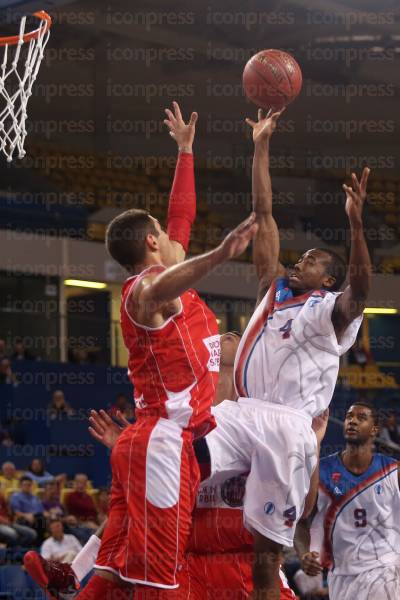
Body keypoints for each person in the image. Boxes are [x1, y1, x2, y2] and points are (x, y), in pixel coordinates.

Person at [66, 102, 257, 600]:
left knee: (118, 571)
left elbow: (181, 213)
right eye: (167, 237)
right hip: (161, 443)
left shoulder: (175, 286)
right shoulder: (141, 292)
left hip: (170, 444)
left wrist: (186, 151)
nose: (178, 238)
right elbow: (161, 281)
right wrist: (217, 257)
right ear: (153, 243)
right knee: (160, 582)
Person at [202, 109, 372, 598]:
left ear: (328, 280)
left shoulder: (327, 310)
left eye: (315, 261)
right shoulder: (269, 290)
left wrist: (355, 225)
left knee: (265, 559)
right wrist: (259, 146)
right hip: (241, 412)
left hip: (289, 426)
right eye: (302, 257)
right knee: (177, 458)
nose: (302, 261)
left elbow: (361, 289)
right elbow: (264, 215)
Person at [25, 332, 301, 599]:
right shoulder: (186, 413)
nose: (226, 335)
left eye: (236, 335)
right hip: (194, 562)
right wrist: (139, 456)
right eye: (221, 336)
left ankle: (75, 577)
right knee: (141, 493)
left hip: (248, 559)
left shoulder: (261, 414)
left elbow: (298, 502)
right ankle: (75, 576)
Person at [295, 402, 400, 600]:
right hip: (340, 576)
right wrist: (303, 554)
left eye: (361, 418)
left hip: (384, 571)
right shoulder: (322, 470)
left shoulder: (393, 471)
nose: (352, 421)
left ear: (374, 430)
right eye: (349, 417)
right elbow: (300, 520)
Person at [10, 476, 46, 543]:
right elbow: (16, 512)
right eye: (25, 485)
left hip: (36, 518)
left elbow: (41, 511)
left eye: (29, 485)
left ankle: (40, 545)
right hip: (22, 519)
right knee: (40, 520)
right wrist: (26, 515)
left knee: (43, 519)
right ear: (20, 485)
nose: (27, 487)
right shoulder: (16, 496)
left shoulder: (35, 497)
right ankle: (37, 544)